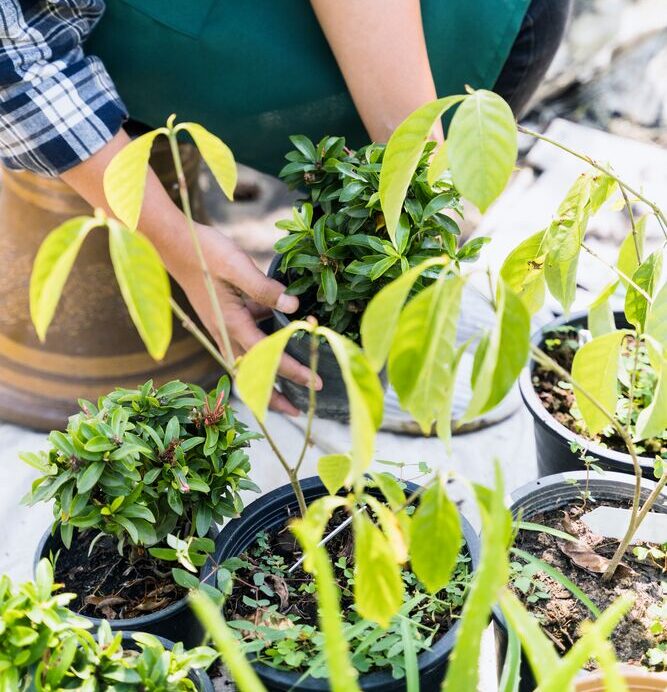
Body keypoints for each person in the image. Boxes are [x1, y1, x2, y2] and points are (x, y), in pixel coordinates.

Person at [0, 0, 570, 415]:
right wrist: (177, 244)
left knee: (395, 253)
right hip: (259, 74)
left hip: (445, 45)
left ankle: (405, 363)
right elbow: (17, 63)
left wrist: (418, 183)